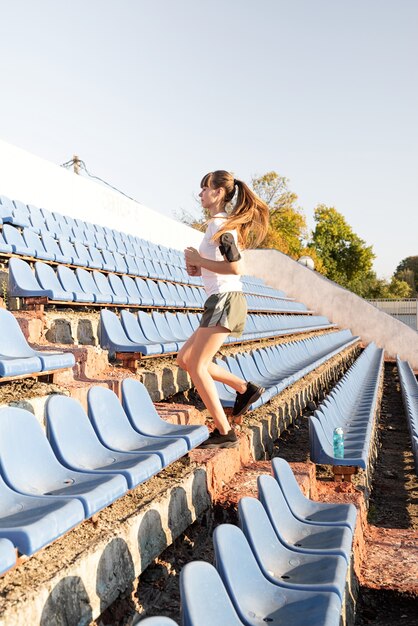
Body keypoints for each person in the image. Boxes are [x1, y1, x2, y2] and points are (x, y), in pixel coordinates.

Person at [177, 170, 269, 449]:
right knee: (185, 359)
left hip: (225, 300)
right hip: (219, 299)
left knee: (196, 364)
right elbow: (216, 268)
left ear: (218, 193)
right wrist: (196, 264)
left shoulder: (223, 227)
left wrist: (199, 260)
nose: (201, 194)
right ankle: (244, 388)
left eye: (205, 188)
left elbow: (235, 267)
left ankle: (224, 430)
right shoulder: (216, 226)